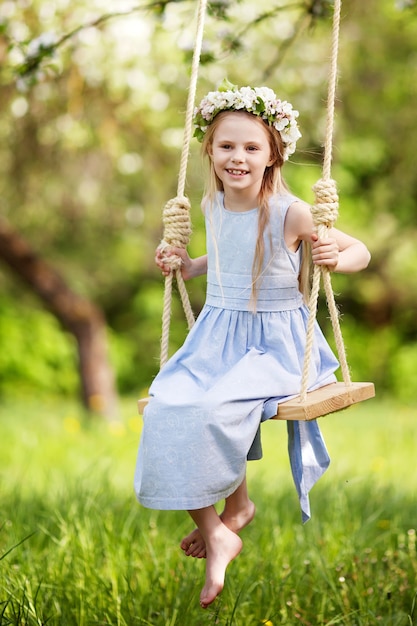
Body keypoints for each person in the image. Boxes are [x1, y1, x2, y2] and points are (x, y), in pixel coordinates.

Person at [134, 82, 371, 609]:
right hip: (218, 335)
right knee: (166, 406)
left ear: (272, 156)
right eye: (226, 147)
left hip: (274, 345)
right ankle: (223, 523)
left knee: (216, 406)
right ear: (210, 152)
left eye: (251, 148)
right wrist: (185, 265)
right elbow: (224, 263)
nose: (237, 157)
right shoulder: (211, 203)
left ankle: (232, 517)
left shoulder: (291, 212)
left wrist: (335, 253)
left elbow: (362, 252)